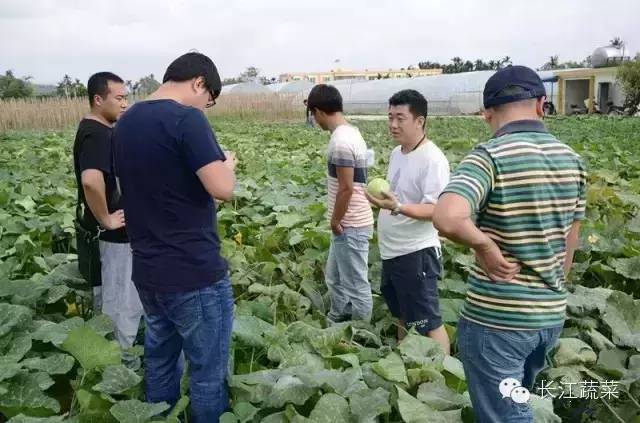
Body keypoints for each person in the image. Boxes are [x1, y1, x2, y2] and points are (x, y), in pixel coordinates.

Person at [433, 65, 587, 422]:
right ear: (541, 104)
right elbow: (570, 241)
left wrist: (485, 247)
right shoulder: (573, 161)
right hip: (548, 318)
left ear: (487, 112)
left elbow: (447, 216)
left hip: (497, 321)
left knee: (506, 416)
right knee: (517, 402)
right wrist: (551, 291)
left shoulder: (489, 156)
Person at [114, 52, 236, 422]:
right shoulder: (187, 118)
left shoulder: (125, 121)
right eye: (209, 99)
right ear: (199, 82)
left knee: (161, 364)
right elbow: (222, 189)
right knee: (207, 375)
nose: (206, 106)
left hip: (149, 271)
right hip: (193, 272)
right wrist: (227, 166)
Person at [365, 89, 451, 354]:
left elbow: (437, 210)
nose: (392, 124)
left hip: (416, 253)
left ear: (420, 121)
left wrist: (398, 207)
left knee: (428, 321)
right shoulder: (397, 153)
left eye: (400, 118)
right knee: (402, 315)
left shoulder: (433, 159)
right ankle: (406, 363)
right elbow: (398, 195)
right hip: (394, 251)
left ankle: (443, 376)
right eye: (390, 117)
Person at [72, 71, 143, 348]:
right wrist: (106, 218)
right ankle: (117, 365)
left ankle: (112, 356)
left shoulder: (99, 130)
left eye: (126, 98)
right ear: (98, 99)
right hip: (113, 238)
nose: (125, 104)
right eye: (119, 98)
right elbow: (91, 181)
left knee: (114, 299)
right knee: (120, 302)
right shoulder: (97, 134)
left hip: (108, 236)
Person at [307, 84, 374, 324]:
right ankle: (337, 320)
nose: (315, 121)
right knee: (334, 278)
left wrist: (336, 220)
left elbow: (346, 188)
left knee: (356, 285)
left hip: (350, 223)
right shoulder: (351, 132)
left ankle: (361, 337)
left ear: (319, 111)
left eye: (313, 115)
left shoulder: (341, 142)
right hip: (350, 222)